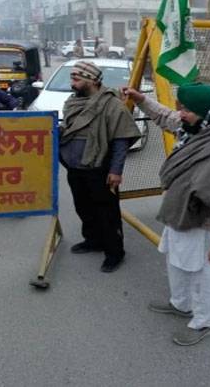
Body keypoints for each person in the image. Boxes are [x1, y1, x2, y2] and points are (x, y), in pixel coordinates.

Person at [122, 83, 210, 346]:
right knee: (177, 263)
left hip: (208, 224)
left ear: (208, 111)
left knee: (205, 275)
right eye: (182, 107)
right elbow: (166, 117)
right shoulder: (195, 128)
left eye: (188, 109)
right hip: (180, 214)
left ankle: (204, 322)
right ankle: (181, 304)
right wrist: (142, 100)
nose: (181, 113)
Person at [61, 61, 141, 272]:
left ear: (92, 80)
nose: (72, 83)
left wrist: (116, 171)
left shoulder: (112, 105)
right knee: (83, 208)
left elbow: (121, 140)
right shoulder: (72, 101)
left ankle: (115, 253)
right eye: (72, 78)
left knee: (107, 213)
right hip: (75, 168)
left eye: (76, 79)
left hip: (100, 170)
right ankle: (93, 241)